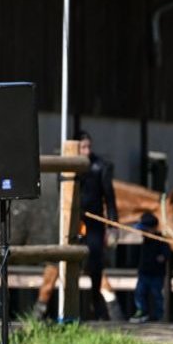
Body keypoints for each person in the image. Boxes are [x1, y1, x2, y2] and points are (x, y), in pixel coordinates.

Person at [75, 129, 118, 320]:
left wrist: (112, 226)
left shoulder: (100, 166)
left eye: (88, 147)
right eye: (83, 147)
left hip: (94, 222)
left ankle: (97, 303)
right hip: (73, 221)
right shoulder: (70, 166)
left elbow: (110, 198)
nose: (86, 150)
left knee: (96, 262)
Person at [130, 211, 168, 323]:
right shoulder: (145, 240)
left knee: (157, 295)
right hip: (144, 273)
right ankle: (142, 311)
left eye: (145, 230)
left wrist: (162, 257)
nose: (143, 232)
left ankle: (159, 315)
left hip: (157, 274)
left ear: (153, 229)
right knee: (139, 293)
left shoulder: (161, 240)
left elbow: (167, 254)